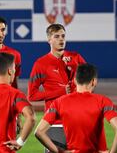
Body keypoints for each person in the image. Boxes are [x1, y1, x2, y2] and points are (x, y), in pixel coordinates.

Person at [35, 63, 117, 153]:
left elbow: (39, 132)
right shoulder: (103, 101)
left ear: (75, 81)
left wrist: (60, 151)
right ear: (94, 81)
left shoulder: (59, 102)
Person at [28, 23, 85, 151]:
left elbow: (89, 83)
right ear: (49, 40)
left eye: (63, 36)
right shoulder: (41, 64)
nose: (61, 39)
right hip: (55, 124)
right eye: (57, 36)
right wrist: (61, 91)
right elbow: (32, 95)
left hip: (78, 122)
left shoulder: (76, 58)